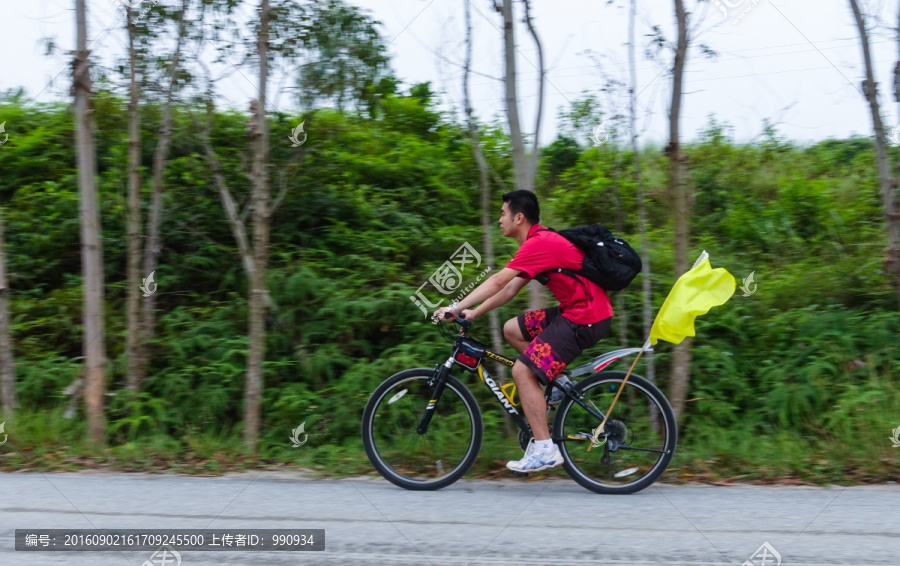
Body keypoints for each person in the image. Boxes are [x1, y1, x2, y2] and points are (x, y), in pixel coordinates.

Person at [433, 190, 613, 473]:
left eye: (503, 213)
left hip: (585, 316)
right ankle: (560, 385)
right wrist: (475, 312)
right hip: (574, 310)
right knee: (512, 329)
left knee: (522, 371)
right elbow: (509, 288)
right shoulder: (536, 244)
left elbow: (496, 281)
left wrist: (456, 306)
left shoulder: (540, 243)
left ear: (519, 217)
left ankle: (544, 449)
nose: (499, 219)